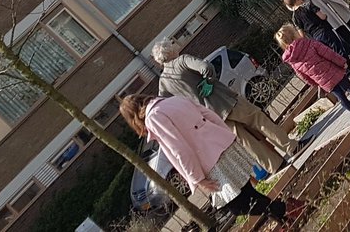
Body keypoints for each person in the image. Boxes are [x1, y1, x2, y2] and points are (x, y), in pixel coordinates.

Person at [119, 94, 305, 224]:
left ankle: (288, 209)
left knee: (237, 205)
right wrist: (226, 137)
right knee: (247, 194)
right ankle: (288, 216)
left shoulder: (154, 118)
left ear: (133, 118)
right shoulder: (173, 100)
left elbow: (179, 149)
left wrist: (197, 178)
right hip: (223, 145)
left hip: (211, 161)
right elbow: (209, 115)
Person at [152, 38, 290, 176]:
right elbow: (206, 67)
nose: (175, 46)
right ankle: (290, 146)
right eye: (172, 45)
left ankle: (274, 165)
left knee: (245, 140)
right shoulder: (182, 60)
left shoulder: (164, 82)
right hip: (224, 100)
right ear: (170, 51)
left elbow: (165, 105)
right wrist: (208, 81)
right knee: (258, 119)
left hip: (210, 116)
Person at [276, 24, 350, 122]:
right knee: (349, 87)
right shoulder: (308, 43)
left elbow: (303, 76)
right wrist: (341, 62)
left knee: (341, 97)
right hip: (333, 70)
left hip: (323, 81)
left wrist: (316, 84)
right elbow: (328, 53)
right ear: (295, 33)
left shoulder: (292, 61)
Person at [283, 0, 350, 66]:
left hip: (316, 37)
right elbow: (322, 16)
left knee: (340, 45)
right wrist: (325, 15)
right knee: (339, 48)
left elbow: (301, 35)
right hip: (325, 30)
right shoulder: (308, 5)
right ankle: (348, 69)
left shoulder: (294, 18)